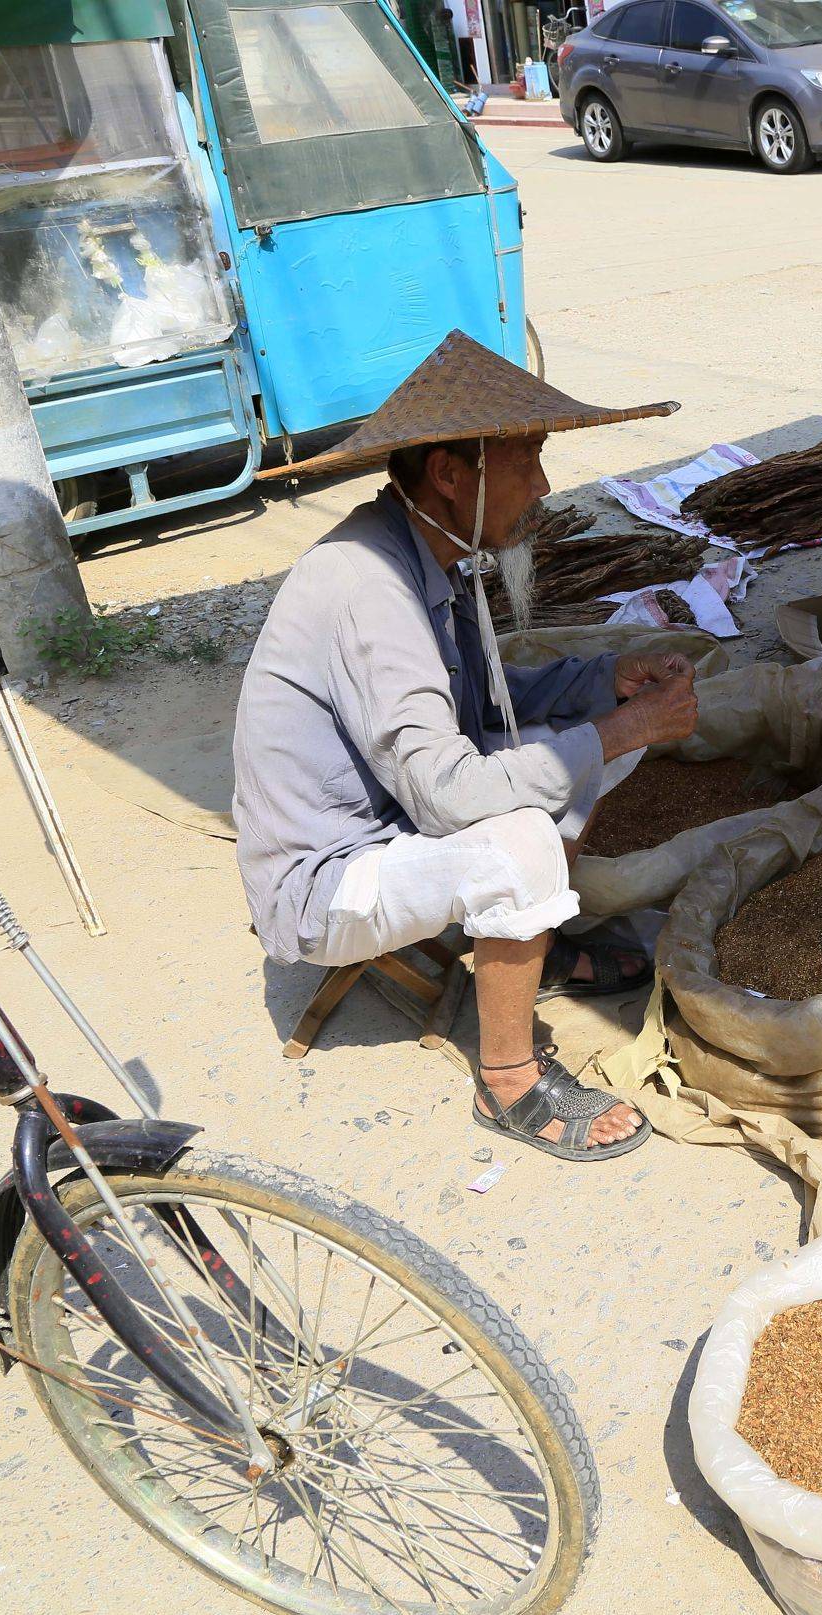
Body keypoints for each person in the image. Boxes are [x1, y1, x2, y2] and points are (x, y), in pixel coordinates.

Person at [233, 331, 690, 1163]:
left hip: (400, 822)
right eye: (529, 459)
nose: (545, 485)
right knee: (520, 839)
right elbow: (446, 793)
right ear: (450, 475)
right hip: (327, 881)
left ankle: (530, 947)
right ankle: (508, 1080)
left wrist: (609, 684)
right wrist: (623, 727)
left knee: (594, 750)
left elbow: (489, 710)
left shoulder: (429, 551)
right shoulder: (369, 587)